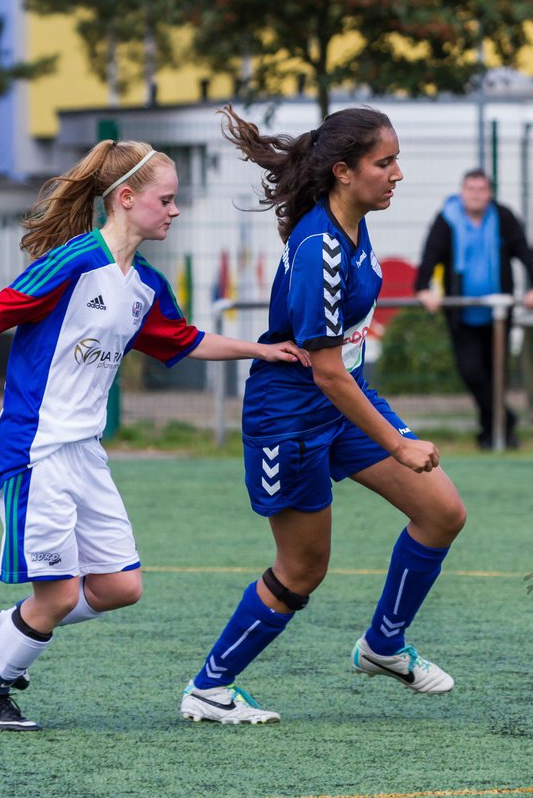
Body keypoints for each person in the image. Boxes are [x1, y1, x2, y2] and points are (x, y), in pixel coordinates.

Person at [0, 140, 306, 731]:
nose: (175, 210)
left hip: (85, 453)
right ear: (127, 198)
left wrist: (260, 350)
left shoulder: (146, 288)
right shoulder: (73, 262)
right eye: (166, 199)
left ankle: (12, 626)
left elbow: (185, 341)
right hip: (34, 453)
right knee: (58, 597)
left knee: (121, 585)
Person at [177, 107, 468, 725]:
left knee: (442, 511)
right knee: (303, 569)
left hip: (341, 404)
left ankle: (383, 646)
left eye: (396, 160)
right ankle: (209, 687)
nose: (397, 174)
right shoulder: (320, 248)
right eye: (383, 162)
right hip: (293, 419)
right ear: (343, 171)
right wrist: (397, 444)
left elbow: (342, 367)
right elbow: (326, 368)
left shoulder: (352, 225)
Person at [414, 169, 533, 450]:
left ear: (489, 193)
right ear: (462, 192)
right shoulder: (446, 220)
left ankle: (492, 434)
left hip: (499, 315)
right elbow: (431, 255)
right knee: (472, 373)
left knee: (497, 377)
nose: (476, 194)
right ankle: (506, 421)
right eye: (470, 189)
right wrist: (423, 288)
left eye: (481, 189)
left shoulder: (503, 218)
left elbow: (524, 251)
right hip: (461, 315)